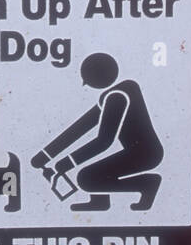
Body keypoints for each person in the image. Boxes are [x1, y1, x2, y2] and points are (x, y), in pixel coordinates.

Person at [31, 53, 163, 211]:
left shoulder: (118, 97)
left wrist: (66, 163)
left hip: (145, 154)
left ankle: (147, 184)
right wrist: (43, 156)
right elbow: (80, 128)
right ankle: (100, 202)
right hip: (135, 151)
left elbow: (104, 141)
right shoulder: (112, 94)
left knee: (87, 178)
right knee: (92, 171)